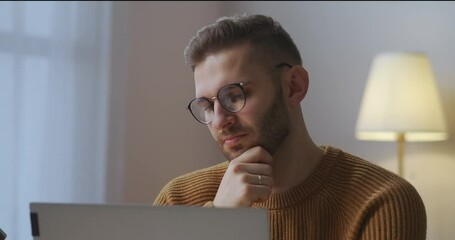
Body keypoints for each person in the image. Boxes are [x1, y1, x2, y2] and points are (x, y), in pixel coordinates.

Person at [153, 14, 427, 239]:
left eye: (234, 96)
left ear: (293, 87)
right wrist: (219, 219)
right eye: (207, 105)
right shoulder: (179, 200)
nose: (219, 120)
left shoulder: (380, 202)